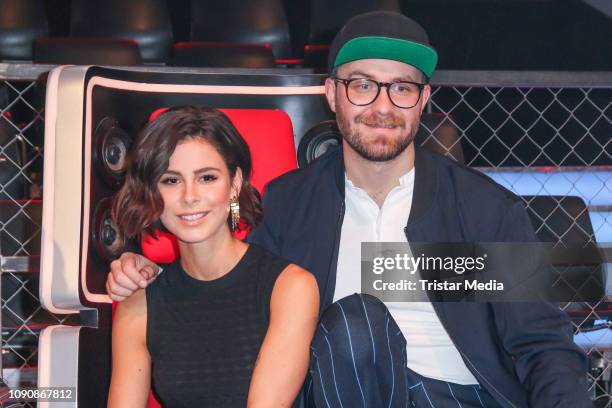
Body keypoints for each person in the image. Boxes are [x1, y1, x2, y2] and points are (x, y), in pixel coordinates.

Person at [107, 12, 592, 408]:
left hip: (463, 398)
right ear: (332, 94)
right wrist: (145, 269)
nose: (383, 106)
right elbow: (226, 264)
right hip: (346, 390)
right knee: (356, 324)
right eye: (362, 85)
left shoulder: (485, 209)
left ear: (423, 100)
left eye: (401, 88)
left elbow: (540, 343)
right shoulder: (287, 203)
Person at [106, 106, 319, 407]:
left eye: (206, 178)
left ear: (234, 185)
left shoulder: (290, 287)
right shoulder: (139, 297)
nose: (189, 196)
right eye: (171, 180)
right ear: (152, 193)